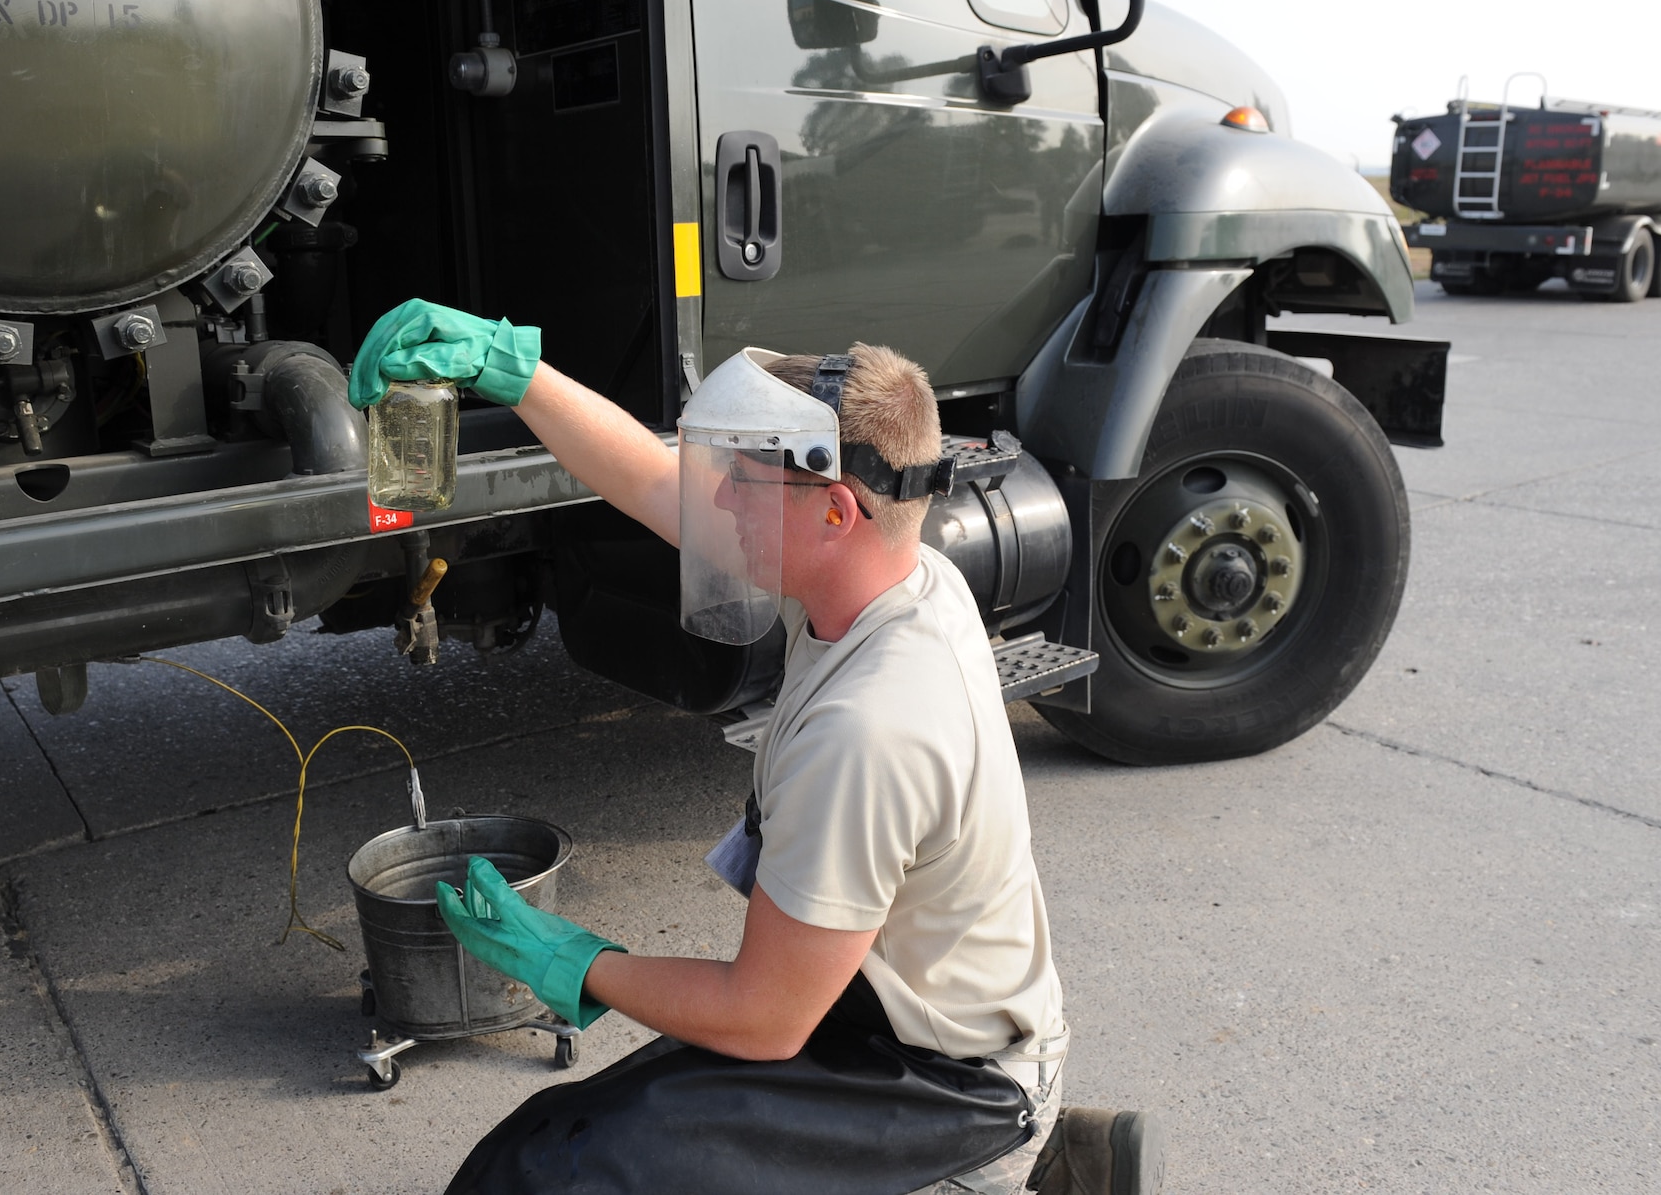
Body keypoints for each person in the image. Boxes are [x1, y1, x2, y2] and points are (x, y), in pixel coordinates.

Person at [348, 302, 1163, 1195]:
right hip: (873, 1006)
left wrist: (571, 958)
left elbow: (764, 1019)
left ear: (836, 510)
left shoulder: (873, 727)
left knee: (550, 1178)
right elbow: (656, 481)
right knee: (553, 1143)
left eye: (744, 477)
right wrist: (519, 373)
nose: (720, 497)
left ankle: (1010, 1174)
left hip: (947, 1079)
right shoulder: (902, 574)